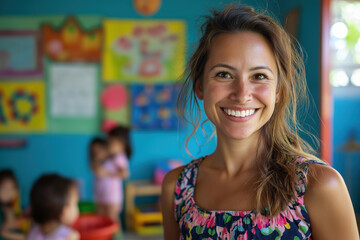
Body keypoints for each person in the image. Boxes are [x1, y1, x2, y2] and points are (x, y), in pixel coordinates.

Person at [161, 5, 359, 240]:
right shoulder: (177, 188)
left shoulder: (318, 186)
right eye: (224, 74)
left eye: (259, 76)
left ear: (278, 91)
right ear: (200, 85)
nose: (242, 93)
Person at [90, 126, 131, 224]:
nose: (109, 146)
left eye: (112, 143)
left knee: (112, 220)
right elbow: (95, 168)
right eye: (108, 143)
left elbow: (125, 174)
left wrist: (106, 174)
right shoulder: (109, 157)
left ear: (122, 145)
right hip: (101, 194)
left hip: (112, 196)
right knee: (102, 218)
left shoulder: (119, 157)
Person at [27, 174, 79, 240]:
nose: (77, 208)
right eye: (75, 203)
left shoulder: (33, 228)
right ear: (64, 212)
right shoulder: (69, 236)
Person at [0, 169, 25, 240]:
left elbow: (31, 236)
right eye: (4, 188)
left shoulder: (24, 212)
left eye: (13, 187)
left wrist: (4, 233)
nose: (9, 192)